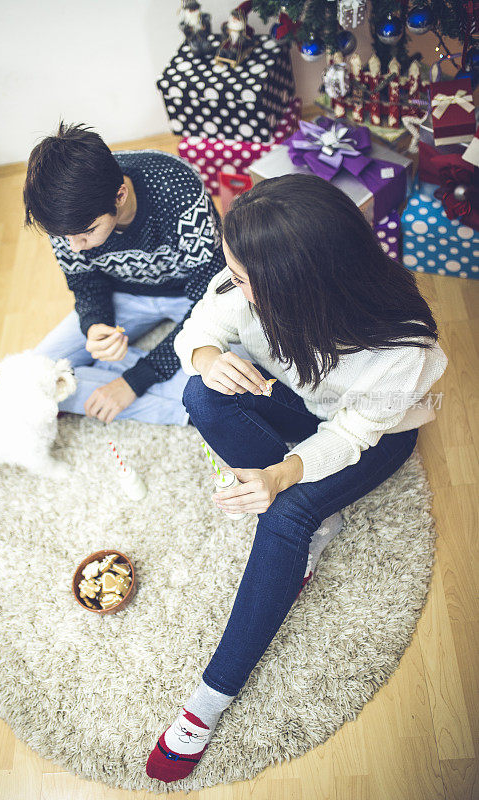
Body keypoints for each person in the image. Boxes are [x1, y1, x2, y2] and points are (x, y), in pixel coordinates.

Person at [145, 174, 448, 782]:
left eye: (245, 277)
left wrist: (284, 476)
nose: (234, 282)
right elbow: (201, 325)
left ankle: (210, 702)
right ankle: (311, 509)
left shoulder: (400, 348)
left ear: (296, 285)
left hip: (372, 436)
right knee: (201, 396)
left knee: (286, 515)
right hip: (305, 401)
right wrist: (207, 357)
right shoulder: (244, 281)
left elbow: (349, 435)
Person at [23, 122, 226, 426]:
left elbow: (210, 299)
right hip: (123, 297)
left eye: (87, 233)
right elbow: (84, 281)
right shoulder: (66, 217)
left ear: (120, 196)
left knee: (227, 375)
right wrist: (95, 324)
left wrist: (135, 381)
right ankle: (187, 404)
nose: (75, 247)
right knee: (32, 376)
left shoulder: (178, 189)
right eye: (66, 237)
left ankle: (152, 393)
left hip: (190, 296)